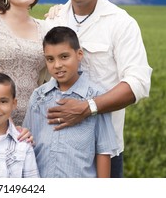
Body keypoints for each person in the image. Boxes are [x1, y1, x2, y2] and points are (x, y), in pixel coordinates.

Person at [44, 0, 152, 177]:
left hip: (103, 150)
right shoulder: (53, 21)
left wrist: (87, 108)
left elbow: (138, 83)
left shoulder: (121, 23)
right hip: (56, 148)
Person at [23, 26, 118, 177]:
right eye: (50, 59)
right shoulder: (39, 96)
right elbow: (27, 143)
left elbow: (103, 151)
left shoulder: (96, 97)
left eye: (64, 57)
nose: (57, 65)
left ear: (79, 54)